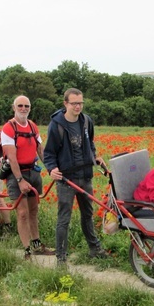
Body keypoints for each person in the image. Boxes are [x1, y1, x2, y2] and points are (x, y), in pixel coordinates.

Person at [43, 88, 110, 267]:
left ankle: (94, 249)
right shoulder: (56, 125)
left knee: (87, 214)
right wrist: (51, 169)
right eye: (74, 103)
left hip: (85, 175)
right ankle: (61, 258)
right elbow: (49, 153)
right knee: (64, 218)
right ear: (65, 104)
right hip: (66, 179)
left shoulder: (87, 121)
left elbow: (91, 143)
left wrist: (94, 155)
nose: (78, 106)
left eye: (80, 103)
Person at [1, 96, 54, 256]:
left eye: (27, 106)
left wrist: (51, 169)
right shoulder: (9, 128)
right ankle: (26, 250)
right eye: (20, 106)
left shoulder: (32, 126)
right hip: (16, 174)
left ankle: (37, 244)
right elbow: (12, 157)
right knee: (22, 213)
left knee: (33, 210)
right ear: (14, 107)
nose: (23, 109)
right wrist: (19, 180)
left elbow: (40, 150)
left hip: (33, 172)